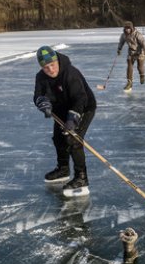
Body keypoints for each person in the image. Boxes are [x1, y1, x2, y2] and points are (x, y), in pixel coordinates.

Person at [33, 46, 97, 197]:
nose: (50, 69)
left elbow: (80, 99)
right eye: (45, 67)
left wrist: (73, 119)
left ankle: (82, 177)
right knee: (58, 139)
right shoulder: (40, 77)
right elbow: (37, 95)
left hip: (84, 108)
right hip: (61, 110)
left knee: (73, 140)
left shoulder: (70, 73)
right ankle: (63, 169)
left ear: (57, 60)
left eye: (52, 65)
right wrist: (42, 102)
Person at [117, 21, 145, 91]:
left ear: (131, 28)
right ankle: (129, 83)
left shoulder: (137, 34)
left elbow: (144, 43)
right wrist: (119, 49)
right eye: (126, 28)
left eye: (128, 28)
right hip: (131, 52)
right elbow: (121, 42)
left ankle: (142, 76)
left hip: (140, 52)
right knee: (129, 67)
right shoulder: (123, 35)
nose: (127, 30)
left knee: (140, 67)